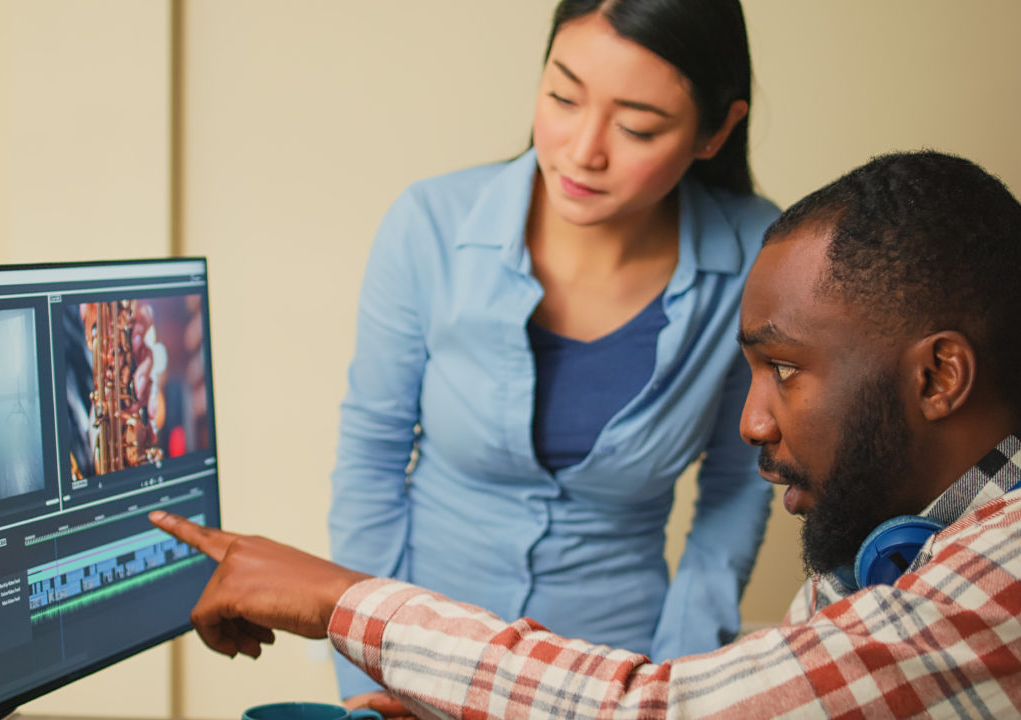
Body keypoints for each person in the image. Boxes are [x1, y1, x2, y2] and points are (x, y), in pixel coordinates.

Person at [152, 151, 1021, 717]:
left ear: (937, 377)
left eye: (787, 371)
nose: (751, 419)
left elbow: (658, 710)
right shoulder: (891, 548)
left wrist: (341, 599)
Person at [329, 0, 775, 708]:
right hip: (412, 671)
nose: (582, 150)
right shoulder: (430, 224)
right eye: (563, 97)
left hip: (613, 682)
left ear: (716, 130)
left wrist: (675, 691)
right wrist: (369, 675)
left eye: (636, 127)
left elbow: (737, 490)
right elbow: (371, 458)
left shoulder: (761, 255)